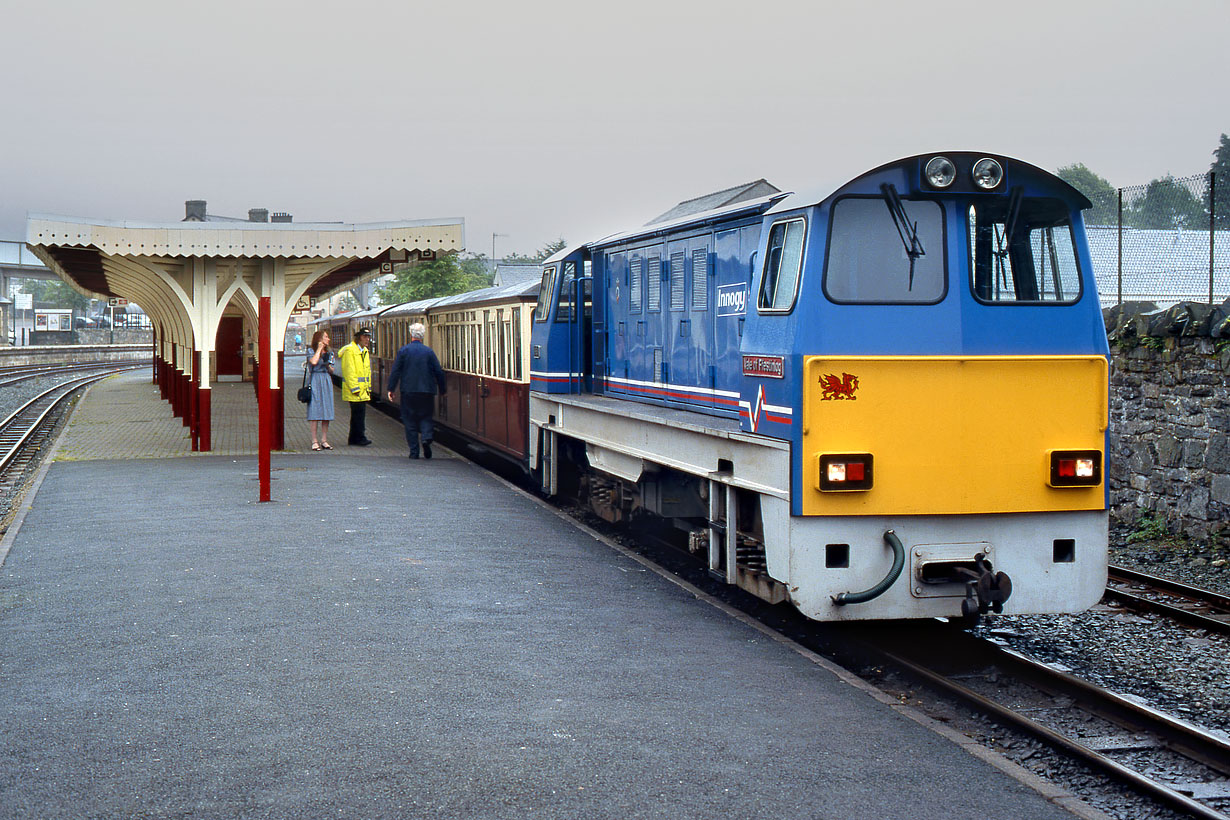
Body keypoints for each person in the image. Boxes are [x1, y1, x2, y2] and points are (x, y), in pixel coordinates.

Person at [386, 322, 446, 459]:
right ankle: (426, 437)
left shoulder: (404, 351)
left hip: (408, 391)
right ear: (423, 335)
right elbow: (439, 371)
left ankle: (414, 452)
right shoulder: (429, 352)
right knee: (426, 417)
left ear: (411, 334)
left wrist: (391, 388)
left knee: (410, 421)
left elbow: (396, 371)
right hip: (427, 391)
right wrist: (442, 389)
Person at [337, 327, 373, 446]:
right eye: (364, 337)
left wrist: (368, 387)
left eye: (368, 337)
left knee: (359, 414)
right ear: (358, 338)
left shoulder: (364, 351)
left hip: (363, 390)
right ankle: (358, 437)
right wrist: (355, 388)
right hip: (355, 390)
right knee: (357, 415)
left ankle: (355, 438)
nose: (367, 339)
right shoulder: (350, 351)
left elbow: (366, 372)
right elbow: (349, 371)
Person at [305, 329, 335, 450]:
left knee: (326, 411)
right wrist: (319, 349)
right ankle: (314, 440)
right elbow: (313, 362)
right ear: (320, 339)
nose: (328, 339)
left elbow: (332, 370)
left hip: (326, 379)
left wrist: (328, 364)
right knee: (314, 410)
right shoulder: (310, 351)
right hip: (315, 380)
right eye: (326, 337)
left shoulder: (330, 352)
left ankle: (324, 439)